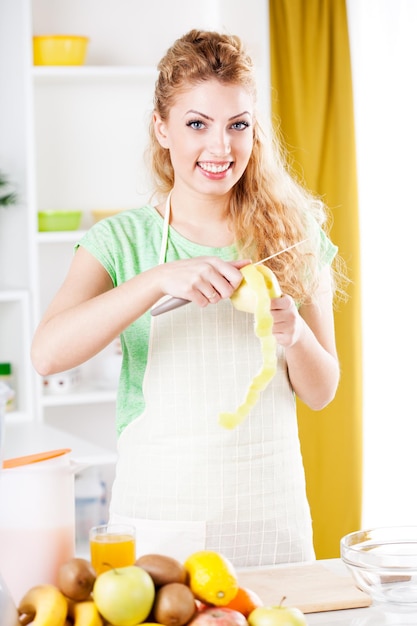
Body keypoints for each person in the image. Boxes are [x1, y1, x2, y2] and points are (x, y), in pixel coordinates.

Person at [31, 29, 345, 567]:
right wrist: (154, 280)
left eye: (237, 125)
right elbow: (47, 355)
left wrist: (294, 334)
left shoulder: (293, 236)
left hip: (269, 518)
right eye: (197, 124)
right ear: (162, 128)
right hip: (160, 519)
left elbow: (321, 392)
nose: (220, 148)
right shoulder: (121, 241)